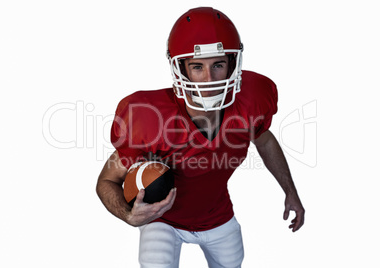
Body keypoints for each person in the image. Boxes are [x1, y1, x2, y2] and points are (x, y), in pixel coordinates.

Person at [96, 7, 305, 268]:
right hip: (164, 219)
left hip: (217, 215)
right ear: (181, 69)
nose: (209, 79)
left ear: (232, 63)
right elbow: (106, 180)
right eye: (197, 67)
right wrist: (130, 215)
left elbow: (264, 139)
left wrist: (290, 191)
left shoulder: (251, 102)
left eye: (218, 64)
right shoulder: (149, 117)